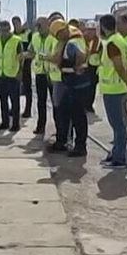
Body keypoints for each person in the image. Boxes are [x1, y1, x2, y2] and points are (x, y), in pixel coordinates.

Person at [47, 19, 89, 156]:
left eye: (58, 35)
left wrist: (77, 66)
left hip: (76, 84)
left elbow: (81, 56)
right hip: (69, 82)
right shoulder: (68, 39)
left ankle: (80, 146)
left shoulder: (72, 43)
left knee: (78, 116)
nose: (58, 39)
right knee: (65, 112)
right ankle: (63, 141)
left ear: (63, 31)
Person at [97, 14, 127, 168]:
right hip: (116, 89)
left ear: (103, 27)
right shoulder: (120, 40)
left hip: (114, 90)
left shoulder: (112, 43)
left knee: (117, 125)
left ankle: (119, 158)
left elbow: (119, 66)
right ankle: (115, 153)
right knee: (118, 125)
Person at [0, 20, 24, 132]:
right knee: (3, 101)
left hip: (13, 75)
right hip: (1, 75)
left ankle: (15, 124)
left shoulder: (16, 41)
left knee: (15, 101)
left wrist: (20, 72)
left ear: (9, 29)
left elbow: (21, 58)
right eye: (2, 30)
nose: (4, 32)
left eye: (6, 30)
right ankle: (5, 123)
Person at [31, 13, 60, 136]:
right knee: (40, 102)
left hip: (52, 75)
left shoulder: (54, 38)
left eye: (40, 25)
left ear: (48, 25)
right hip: (40, 74)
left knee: (55, 103)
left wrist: (44, 57)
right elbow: (32, 51)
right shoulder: (35, 37)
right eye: (37, 25)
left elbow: (55, 56)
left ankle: (59, 128)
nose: (38, 28)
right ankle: (40, 126)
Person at [12, 16, 33, 120]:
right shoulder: (13, 35)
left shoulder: (28, 34)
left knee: (27, 87)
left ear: (20, 23)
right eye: (14, 24)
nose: (16, 26)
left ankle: (28, 110)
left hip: (26, 64)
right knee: (14, 88)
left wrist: (25, 55)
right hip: (15, 65)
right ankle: (14, 108)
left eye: (17, 23)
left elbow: (32, 48)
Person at [81, 21, 102, 116]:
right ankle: (84, 105)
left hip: (94, 67)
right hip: (84, 66)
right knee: (84, 87)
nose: (91, 32)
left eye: (93, 30)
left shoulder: (99, 42)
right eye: (89, 30)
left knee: (92, 88)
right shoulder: (81, 40)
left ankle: (89, 105)